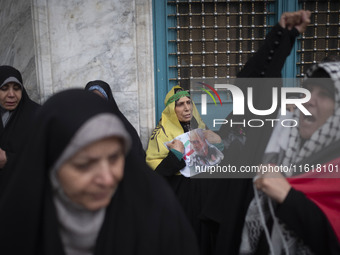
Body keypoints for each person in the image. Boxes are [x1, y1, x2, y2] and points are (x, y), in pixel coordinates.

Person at [202, 10, 340, 254]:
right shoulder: (277, 136)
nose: (310, 100)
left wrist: (288, 198)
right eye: (309, 90)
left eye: (326, 94)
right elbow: (250, 86)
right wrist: (281, 36)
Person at [0, 89, 199, 255]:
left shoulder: (156, 216)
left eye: (114, 158)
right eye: (84, 165)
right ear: (50, 165)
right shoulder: (18, 225)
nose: (106, 178)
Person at [146, 85, 221, 254]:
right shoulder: (160, 135)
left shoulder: (200, 127)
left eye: (189, 102)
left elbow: (215, 157)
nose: (187, 108)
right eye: (180, 104)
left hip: (206, 195)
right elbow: (155, 175)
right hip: (183, 198)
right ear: (172, 109)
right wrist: (175, 155)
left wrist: (218, 142)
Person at [0, 65, 40, 193]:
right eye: (4, 89)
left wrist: (8, 159)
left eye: (17, 89)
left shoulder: (37, 116)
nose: (11, 95)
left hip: (24, 195)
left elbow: (44, 157)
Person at [85, 80, 145, 159]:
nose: (96, 103)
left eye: (101, 99)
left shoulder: (123, 127)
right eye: (92, 99)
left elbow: (136, 157)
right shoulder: (77, 125)